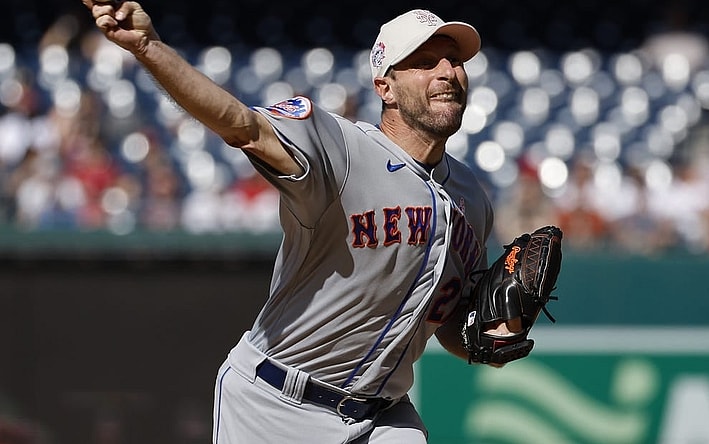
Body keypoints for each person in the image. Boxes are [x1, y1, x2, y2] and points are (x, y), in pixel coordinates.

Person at [83, 2, 516, 442]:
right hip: (277, 403)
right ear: (385, 87)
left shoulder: (471, 198)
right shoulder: (340, 148)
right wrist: (149, 47)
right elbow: (243, 127)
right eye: (425, 63)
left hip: (384, 417)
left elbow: (451, 328)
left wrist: (496, 336)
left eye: (455, 62)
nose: (447, 72)